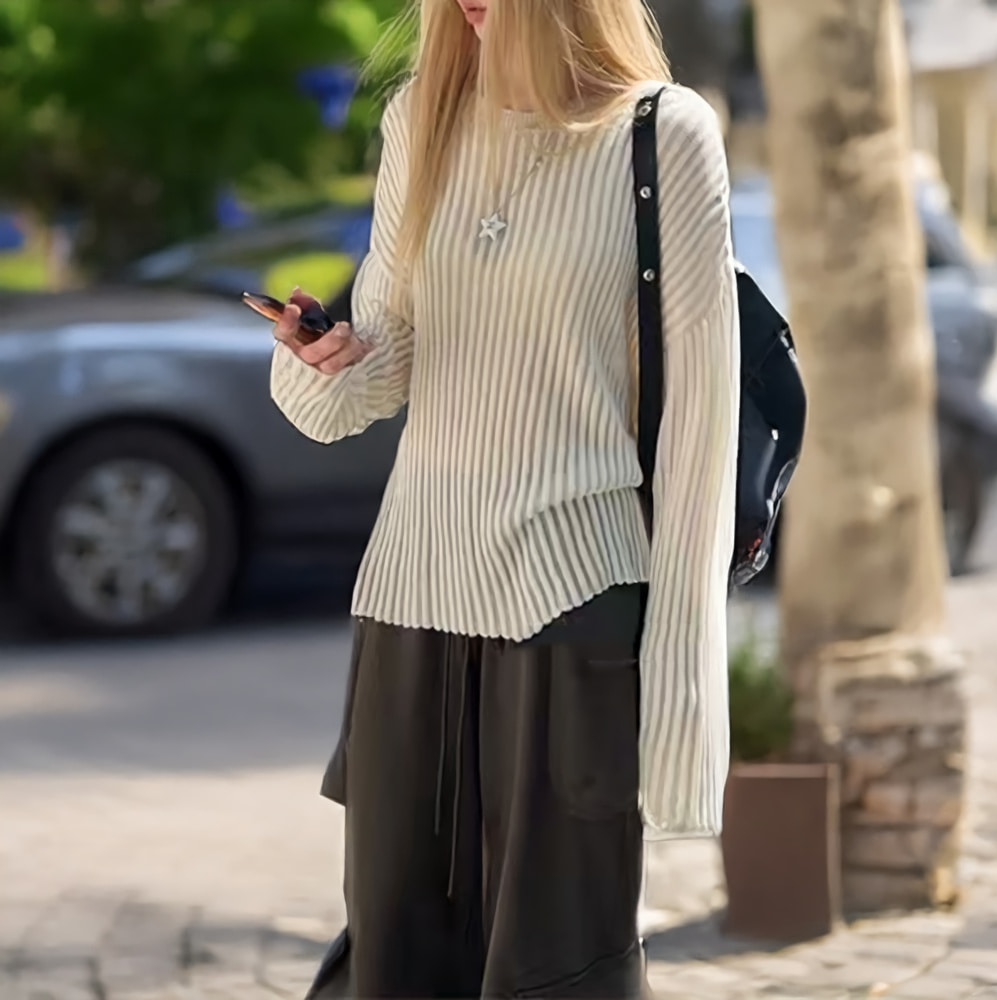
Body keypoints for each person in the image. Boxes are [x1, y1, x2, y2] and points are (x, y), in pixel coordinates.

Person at [270, 0, 739, 995]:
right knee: (394, 960)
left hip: (572, 602)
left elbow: (700, 435)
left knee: (555, 969)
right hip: (412, 593)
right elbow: (380, 364)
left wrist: (683, 711)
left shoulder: (662, 134)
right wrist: (326, 361)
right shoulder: (421, 117)